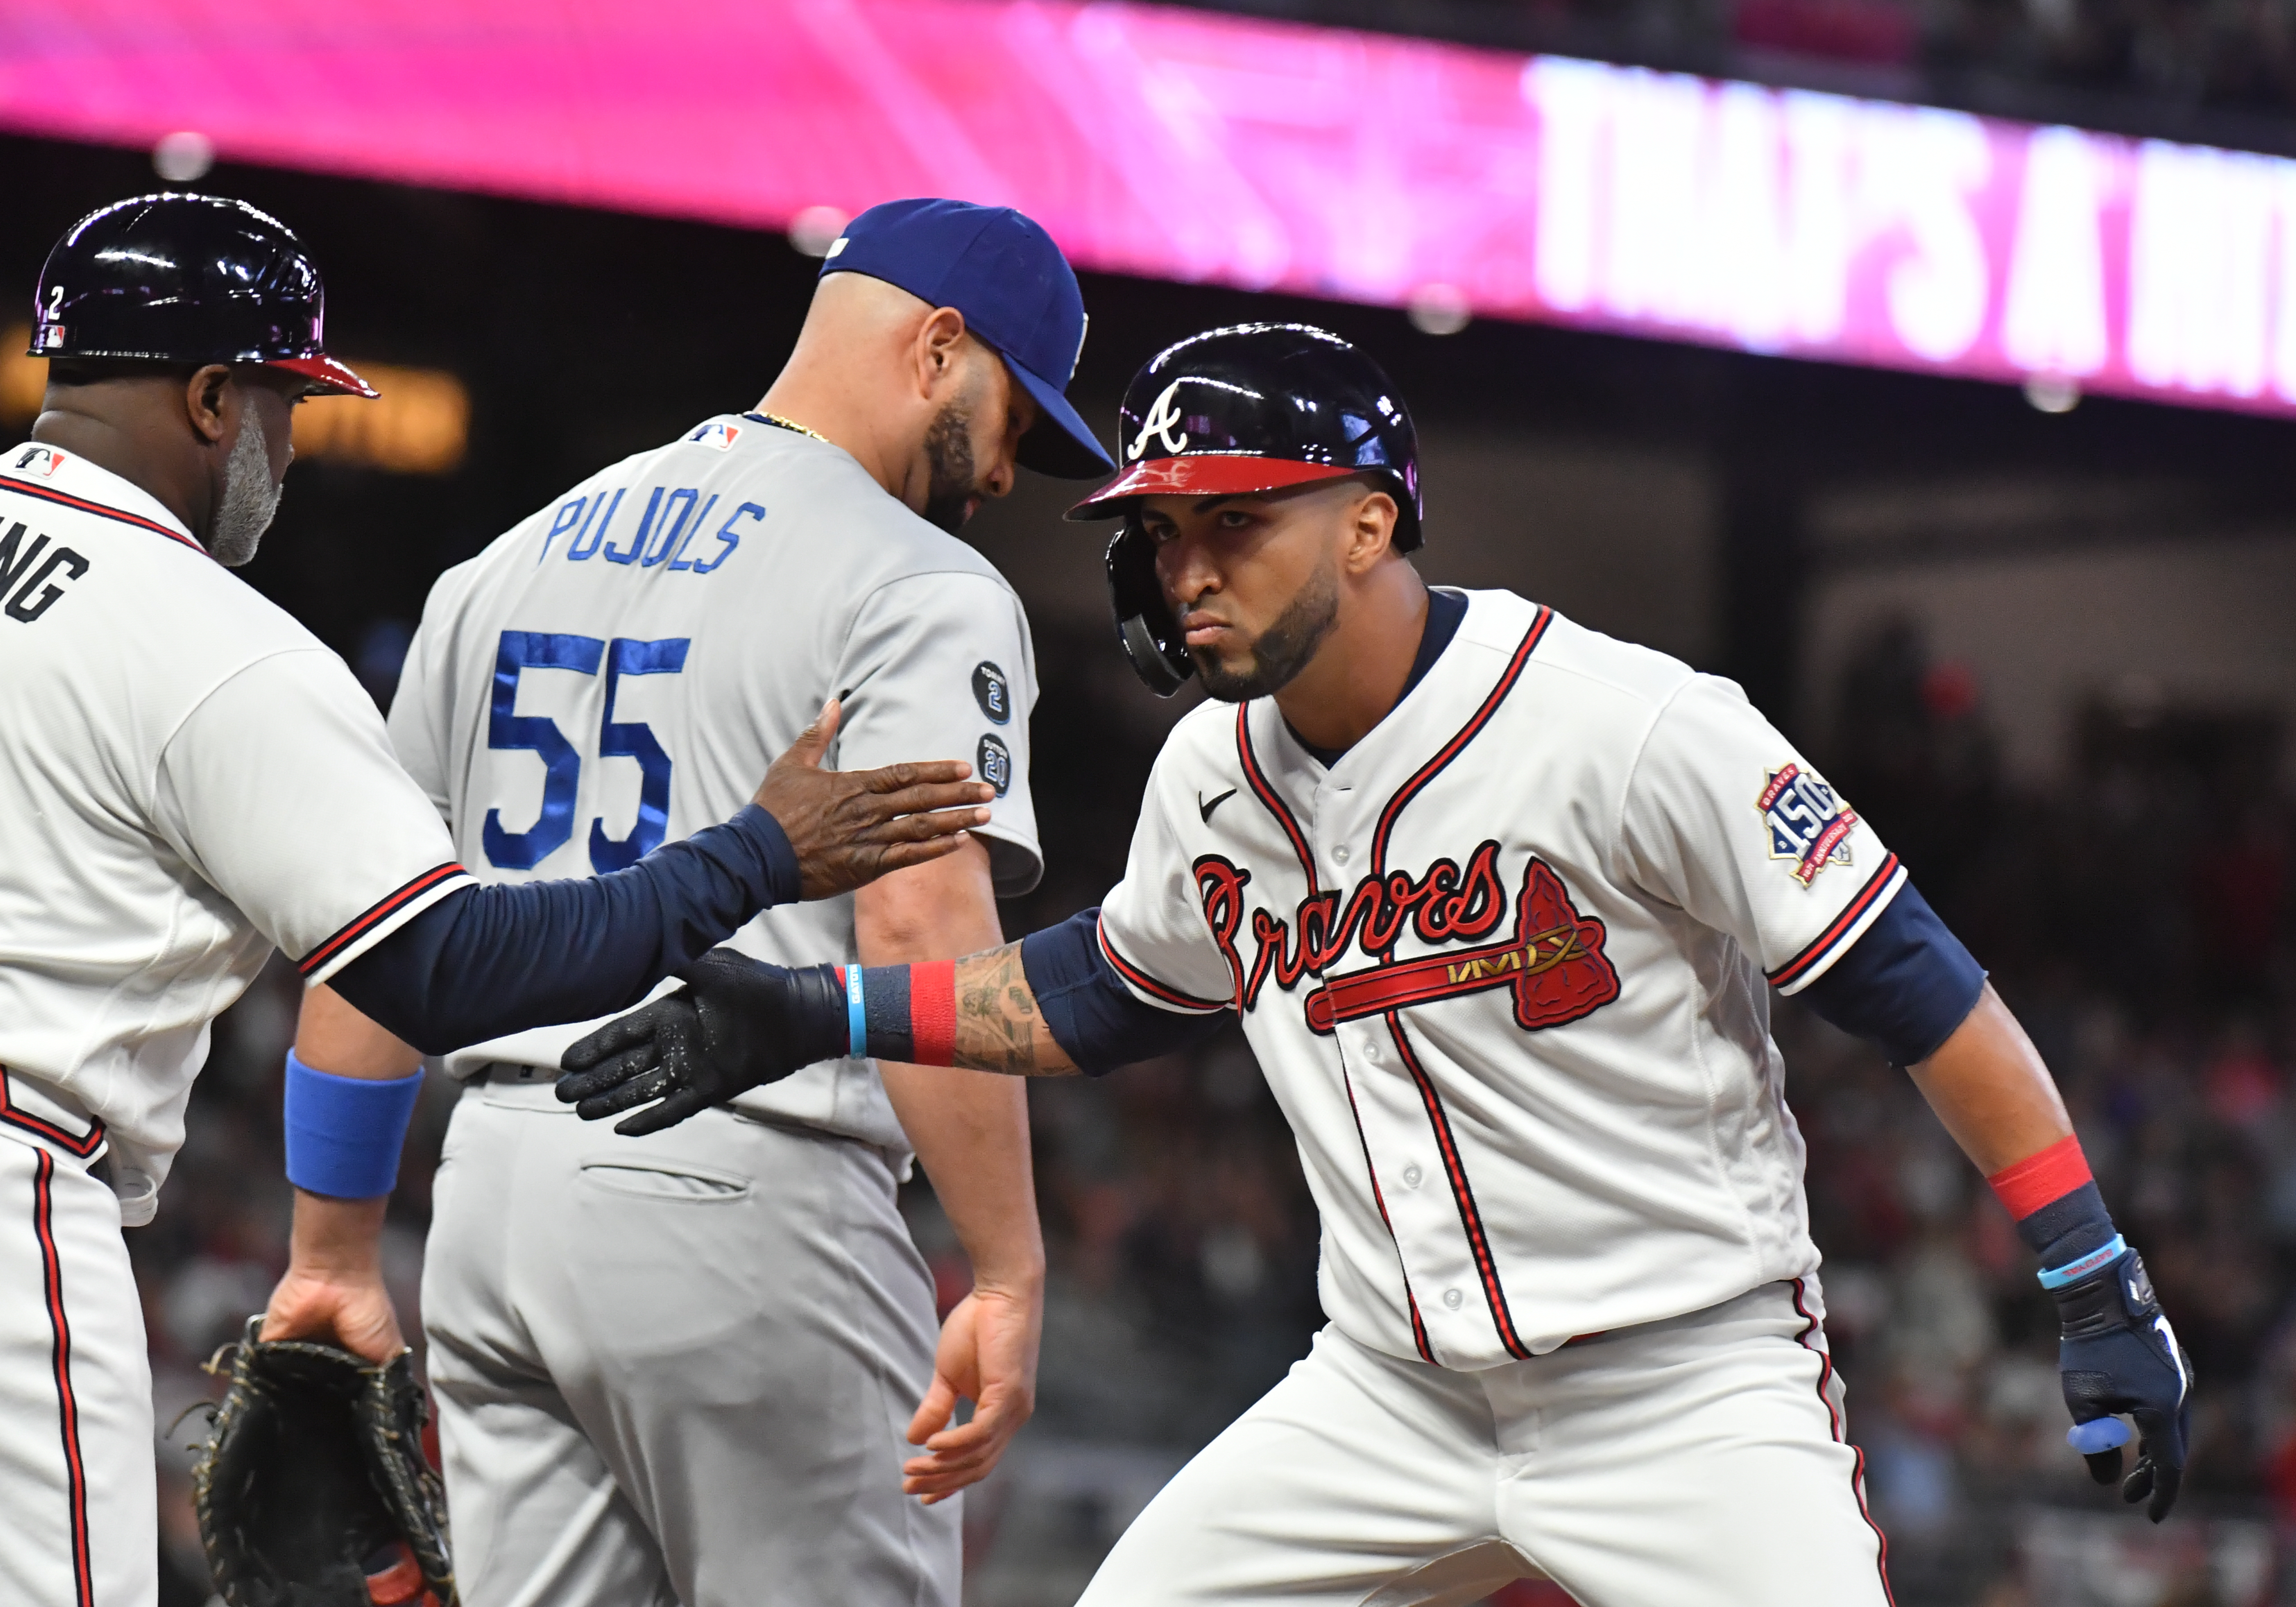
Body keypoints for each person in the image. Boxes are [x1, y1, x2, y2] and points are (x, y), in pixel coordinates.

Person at [560, 323, 2196, 1607]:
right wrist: (817, 1011)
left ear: (1367, 522)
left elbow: (1922, 986)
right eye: (1164, 534)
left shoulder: (1625, 726)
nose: (1185, 573)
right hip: (1384, 1399)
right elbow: (1106, 992)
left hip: (1682, 1389)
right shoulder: (1214, 779)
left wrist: (2090, 1281)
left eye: (1234, 525)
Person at [0, 192, 990, 1607]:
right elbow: (448, 965)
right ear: (212, 399)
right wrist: (754, 857)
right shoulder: (201, 637)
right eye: (282, 408)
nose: (287, 449)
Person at [284, 198, 1112, 1606]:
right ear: (938, 344)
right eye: (1015, 413)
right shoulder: (916, 580)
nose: (1008, 467)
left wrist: (333, 1251)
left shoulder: (505, 562)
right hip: (743, 1189)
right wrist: (1009, 1268)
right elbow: (920, 927)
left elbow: (374, 939)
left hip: (489, 1212)